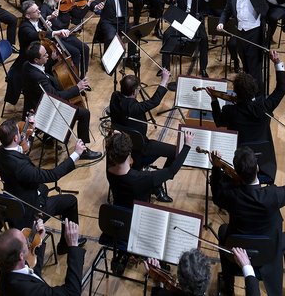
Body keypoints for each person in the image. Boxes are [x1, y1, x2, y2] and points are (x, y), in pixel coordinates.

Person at [211, 141, 285, 296]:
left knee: (222, 230)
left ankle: (228, 286)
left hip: (239, 251)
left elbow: (216, 194)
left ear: (238, 174)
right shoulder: (272, 195)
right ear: (258, 168)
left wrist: (216, 167)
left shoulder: (230, 196)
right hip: (268, 254)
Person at [0, 119, 89, 258]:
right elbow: (52, 174)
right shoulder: (21, 168)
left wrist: (29, 134)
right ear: (15, 138)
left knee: (43, 188)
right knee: (70, 201)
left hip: (14, 199)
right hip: (29, 210)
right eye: (19, 131)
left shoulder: (2, 151)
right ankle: (66, 245)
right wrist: (76, 154)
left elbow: (21, 151)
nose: (21, 132)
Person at [211, 50, 285, 180]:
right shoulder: (264, 107)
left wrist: (214, 99)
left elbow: (218, 121)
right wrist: (277, 62)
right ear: (254, 89)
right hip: (264, 161)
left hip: (239, 162)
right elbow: (282, 88)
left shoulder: (230, 112)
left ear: (235, 92)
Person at [20, 41, 101, 159]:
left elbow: (42, 70)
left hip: (34, 104)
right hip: (43, 112)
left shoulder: (27, 65)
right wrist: (77, 88)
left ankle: (48, 137)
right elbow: (56, 96)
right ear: (36, 60)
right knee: (84, 113)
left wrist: (51, 60)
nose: (48, 54)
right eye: (45, 55)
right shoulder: (37, 78)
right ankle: (82, 152)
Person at [108, 70, 176, 201]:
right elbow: (154, 102)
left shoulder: (114, 97)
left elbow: (124, 93)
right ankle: (157, 184)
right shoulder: (133, 108)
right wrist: (164, 81)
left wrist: (127, 83)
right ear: (134, 91)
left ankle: (149, 177)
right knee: (175, 152)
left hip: (121, 148)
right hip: (139, 150)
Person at [0, 218, 84, 296]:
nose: (28, 240)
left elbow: (33, 271)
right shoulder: (27, 289)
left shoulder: (9, 265)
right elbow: (72, 292)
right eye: (26, 241)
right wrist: (73, 247)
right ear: (21, 256)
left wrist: (38, 240)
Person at [106, 129, 193, 208]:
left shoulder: (109, 170)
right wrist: (187, 146)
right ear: (129, 153)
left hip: (117, 212)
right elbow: (171, 171)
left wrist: (115, 139)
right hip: (137, 215)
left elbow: (111, 149)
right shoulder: (142, 178)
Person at [217, 0, 268, 85]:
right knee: (245, 62)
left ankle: (257, 95)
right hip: (240, 32)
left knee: (254, 66)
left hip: (254, 32)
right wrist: (221, 22)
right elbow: (227, 11)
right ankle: (248, 92)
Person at [163, 0, 210, 76]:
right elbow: (169, 1)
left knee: (204, 39)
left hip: (194, 21)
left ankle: (203, 68)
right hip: (181, 20)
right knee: (166, 35)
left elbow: (205, 5)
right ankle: (165, 67)